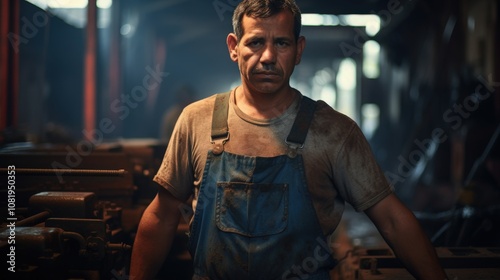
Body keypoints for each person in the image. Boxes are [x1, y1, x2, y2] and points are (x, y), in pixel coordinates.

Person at [130, 0, 448, 279]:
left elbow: (391, 218)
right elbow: (162, 214)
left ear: (298, 50)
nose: (268, 56)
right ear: (233, 46)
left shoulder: (333, 131)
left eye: (281, 43)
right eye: (255, 42)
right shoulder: (195, 121)